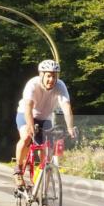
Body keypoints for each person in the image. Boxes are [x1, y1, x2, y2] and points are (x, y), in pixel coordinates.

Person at [14, 59, 77, 191]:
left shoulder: (60, 86)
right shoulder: (32, 84)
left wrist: (70, 128)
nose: (51, 79)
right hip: (26, 115)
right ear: (42, 75)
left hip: (45, 119)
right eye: (48, 75)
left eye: (54, 76)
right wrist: (31, 126)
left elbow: (66, 108)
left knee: (47, 152)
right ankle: (18, 171)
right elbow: (28, 108)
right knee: (26, 137)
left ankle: (40, 189)